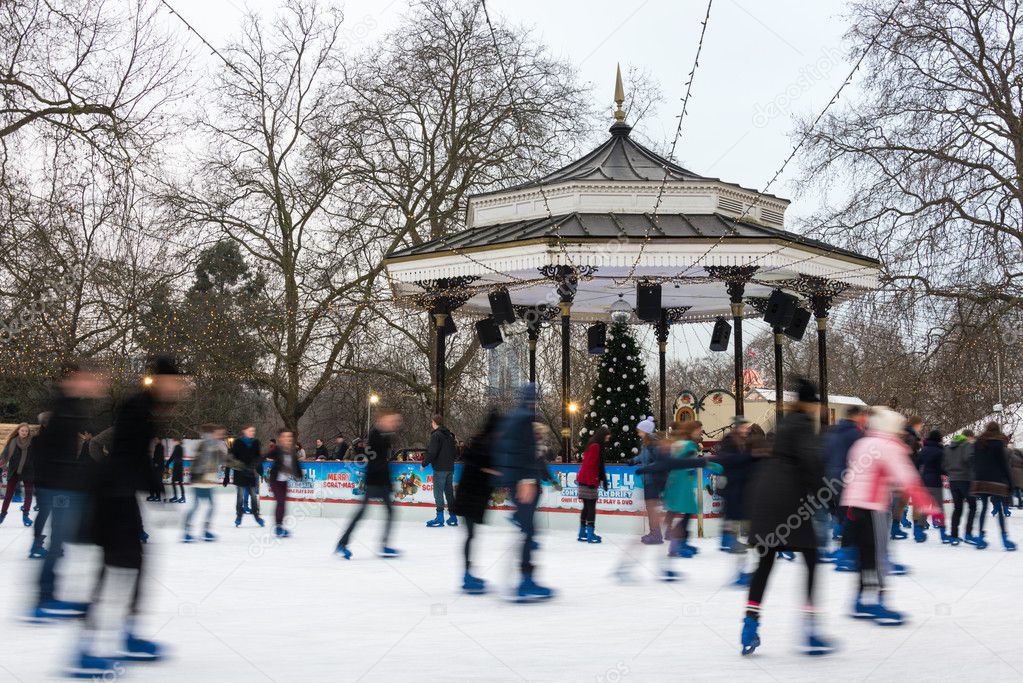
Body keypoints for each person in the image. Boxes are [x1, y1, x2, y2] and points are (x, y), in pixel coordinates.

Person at [69, 357, 188, 677]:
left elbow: (137, 457)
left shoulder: (146, 408)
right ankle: (82, 650)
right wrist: (158, 490)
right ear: (161, 380)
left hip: (121, 497)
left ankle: (127, 634)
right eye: (175, 381)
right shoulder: (138, 407)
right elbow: (132, 455)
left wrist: (154, 488)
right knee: (110, 571)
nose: (179, 388)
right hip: (112, 499)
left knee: (134, 564)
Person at [741, 379, 833, 657]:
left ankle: (749, 625)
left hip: (767, 497)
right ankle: (811, 630)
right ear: (811, 404)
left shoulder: (784, 423)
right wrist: (830, 498)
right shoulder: (804, 424)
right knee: (812, 560)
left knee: (766, 562)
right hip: (789, 503)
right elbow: (811, 464)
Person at [842, 407, 941, 626]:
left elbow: (851, 475)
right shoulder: (890, 447)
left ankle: (859, 601)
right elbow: (909, 481)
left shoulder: (861, 443)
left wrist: (850, 505)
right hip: (873, 506)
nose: (901, 433)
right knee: (879, 554)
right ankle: (879, 602)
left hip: (855, 505)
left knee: (865, 555)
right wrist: (930, 507)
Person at [29, 363, 105, 618]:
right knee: (59, 541)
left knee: (64, 541)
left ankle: (49, 594)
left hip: (65, 485)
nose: (93, 383)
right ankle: (44, 598)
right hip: (60, 487)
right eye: (88, 378)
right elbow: (54, 455)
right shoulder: (64, 409)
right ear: (72, 379)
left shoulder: (71, 407)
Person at [491, 384, 553, 601]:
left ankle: (526, 579)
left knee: (529, 530)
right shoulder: (525, 418)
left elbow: (502, 449)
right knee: (528, 532)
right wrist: (525, 479)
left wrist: (505, 477)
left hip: (514, 481)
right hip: (523, 481)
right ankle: (526, 581)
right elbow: (523, 451)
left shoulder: (512, 417)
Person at [335, 410, 402, 559]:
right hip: (373, 481)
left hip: (383, 481)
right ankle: (342, 543)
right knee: (361, 513)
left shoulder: (385, 435)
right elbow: (375, 457)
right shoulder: (376, 435)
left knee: (391, 512)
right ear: (383, 420)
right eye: (392, 421)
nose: (394, 424)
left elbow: (383, 459)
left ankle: (384, 545)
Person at [453, 410, 499, 594]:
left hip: (470, 498)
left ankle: (468, 573)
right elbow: (478, 468)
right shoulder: (484, 445)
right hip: (470, 499)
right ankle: (467, 574)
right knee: (471, 536)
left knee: (471, 535)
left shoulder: (482, 443)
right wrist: (491, 472)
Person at [713, 418, 756, 583]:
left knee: (744, 535)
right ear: (737, 427)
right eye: (744, 427)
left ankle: (743, 569)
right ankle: (740, 571)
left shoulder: (743, 442)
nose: (746, 430)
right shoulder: (730, 443)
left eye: (747, 427)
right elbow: (729, 463)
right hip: (734, 493)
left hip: (741, 494)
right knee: (738, 535)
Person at [823, 405, 867, 566]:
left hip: (831, 477)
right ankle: (846, 549)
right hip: (848, 478)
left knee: (842, 513)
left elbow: (825, 455)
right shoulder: (855, 434)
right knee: (852, 513)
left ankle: (842, 545)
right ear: (856, 416)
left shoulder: (833, 433)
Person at [970, 422, 1017, 551]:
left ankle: (980, 537)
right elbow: (1003, 464)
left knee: (984, 508)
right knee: (1000, 509)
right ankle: (1005, 539)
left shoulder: (977, 443)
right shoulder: (998, 443)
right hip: (996, 480)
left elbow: (974, 462)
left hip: (980, 479)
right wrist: (1010, 483)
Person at [183, 424, 226, 543]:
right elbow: (200, 463)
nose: (221, 435)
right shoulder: (208, 444)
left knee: (208, 506)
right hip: (200, 481)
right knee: (198, 506)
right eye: (219, 433)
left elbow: (224, 459)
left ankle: (203, 531)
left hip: (207, 481)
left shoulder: (214, 445)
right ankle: (188, 532)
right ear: (213, 433)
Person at [630, 417, 666, 544]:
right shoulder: (646, 444)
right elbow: (643, 456)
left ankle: (656, 535)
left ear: (646, 431)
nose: (639, 433)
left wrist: (646, 469)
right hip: (648, 480)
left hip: (654, 481)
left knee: (652, 507)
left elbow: (659, 462)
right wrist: (634, 460)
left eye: (640, 431)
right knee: (650, 507)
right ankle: (654, 533)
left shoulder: (654, 445)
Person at [423, 414, 457, 528]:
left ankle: (440, 517)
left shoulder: (436, 435)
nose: (431, 424)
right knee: (449, 493)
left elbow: (432, 452)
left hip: (440, 469)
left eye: (432, 422)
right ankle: (453, 517)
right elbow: (455, 453)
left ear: (434, 422)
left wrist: (424, 463)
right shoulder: (450, 435)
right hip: (450, 469)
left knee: (438, 493)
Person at [577, 426, 610, 543]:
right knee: (591, 507)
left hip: (585, 479)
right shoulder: (596, 446)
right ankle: (590, 534)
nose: (608, 439)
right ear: (602, 436)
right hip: (588, 480)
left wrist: (603, 480)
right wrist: (592, 481)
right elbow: (590, 465)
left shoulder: (594, 444)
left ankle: (582, 533)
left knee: (586, 507)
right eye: (607, 436)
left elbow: (598, 465)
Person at [914, 430, 947, 543]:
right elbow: (943, 468)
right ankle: (943, 534)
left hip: (924, 483)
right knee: (940, 508)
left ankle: (918, 532)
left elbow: (917, 465)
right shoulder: (940, 451)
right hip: (936, 483)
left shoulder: (923, 450)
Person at [268, 429, 302, 537]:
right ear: (281, 439)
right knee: (281, 502)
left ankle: (280, 526)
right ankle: (278, 527)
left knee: (283, 504)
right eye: (285, 437)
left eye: (289, 437)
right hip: (275, 481)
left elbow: (296, 466)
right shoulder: (277, 450)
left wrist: (299, 475)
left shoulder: (292, 452)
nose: (287, 439)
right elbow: (264, 456)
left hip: (284, 482)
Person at [944, 430, 976, 545]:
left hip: (953, 481)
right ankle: (968, 534)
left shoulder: (949, 448)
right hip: (965, 480)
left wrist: (951, 474)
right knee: (973, 506)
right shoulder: (967, 445)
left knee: (957, 508)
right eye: (972, 438)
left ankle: (953, 536)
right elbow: (970, 459)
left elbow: (944, 465)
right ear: (969, 437)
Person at [1, 422, 35, 526]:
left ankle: (25, 516)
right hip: (14, 470)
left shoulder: (32, 443)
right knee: (8, 495)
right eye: (22, 430)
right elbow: (5, 456)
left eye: (26, 431)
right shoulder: (12, 441)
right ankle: (2, 515)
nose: (24, 432)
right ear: (18, 431)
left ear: (28, 432)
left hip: (28, 470)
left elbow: (37, 456)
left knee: (28, 494)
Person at [229, 425, 264, 528]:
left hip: (250, 473)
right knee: (240, 496)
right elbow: (233, 458)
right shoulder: (237, 442)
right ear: (244, 431)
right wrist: (229, 473)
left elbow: (258, 457)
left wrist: (261, 472)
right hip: (240, 473)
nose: (252, 432)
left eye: (253, 431)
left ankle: (257, 516)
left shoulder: (256, 442)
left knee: (253, 496)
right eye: (250, 431)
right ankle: (239, 516)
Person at [167, 438, 185, 503]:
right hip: (179, 466)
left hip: (177, 466)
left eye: (174, 440)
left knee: (174, 481)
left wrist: (167, 463)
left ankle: (176, 497)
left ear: (177, 441)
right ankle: (182, 497)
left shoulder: (177, 447)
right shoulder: (181, 447)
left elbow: (172, 456)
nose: (173, 442)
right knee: (179, 482)